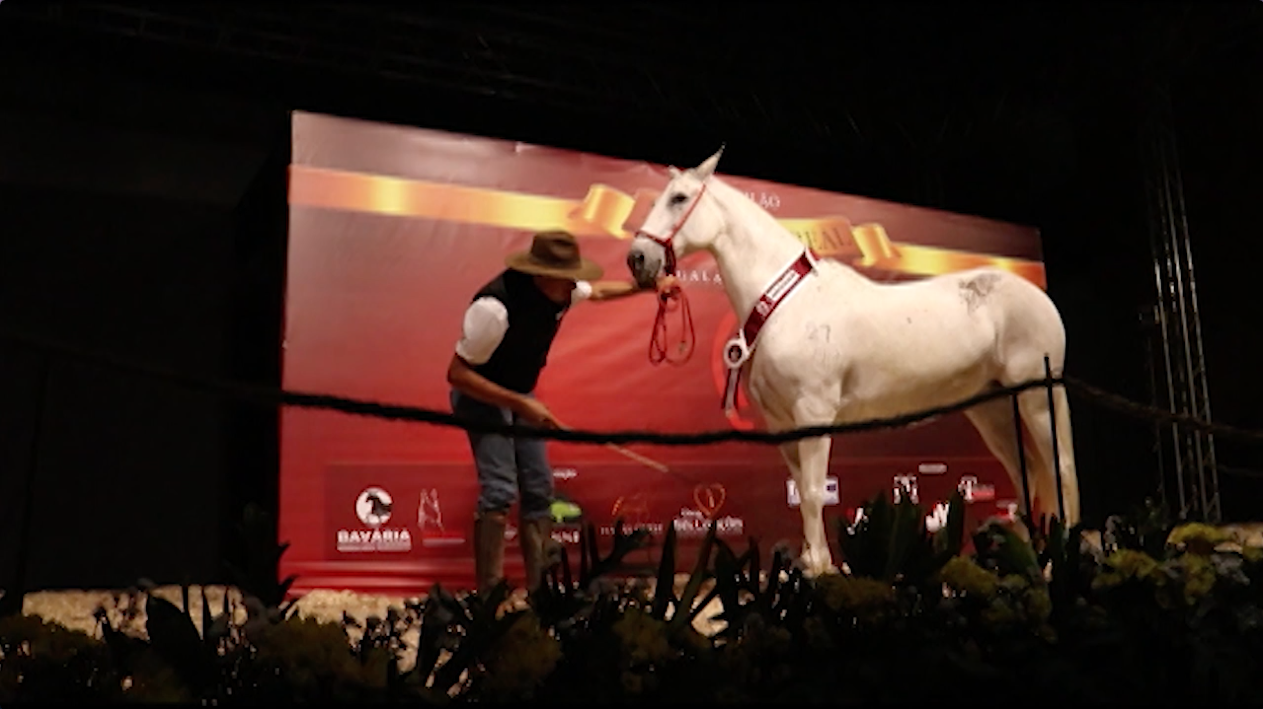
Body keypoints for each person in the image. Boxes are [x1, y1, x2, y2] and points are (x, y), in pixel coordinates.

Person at [447, 229, 676, 597]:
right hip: (480, 396)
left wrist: (648, 288)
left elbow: (598, 292)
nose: (576, 285)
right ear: (541, 276)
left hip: (520, 391)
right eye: (567, 278)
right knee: (500, 490)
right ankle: (487, 602)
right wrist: (522, 404)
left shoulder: (562, 290)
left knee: (539, 488)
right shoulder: (494, 309)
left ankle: (542, 595)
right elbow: (457, 375)